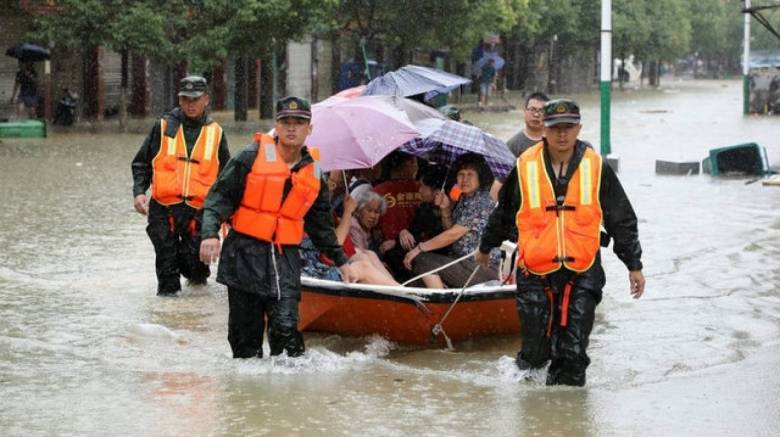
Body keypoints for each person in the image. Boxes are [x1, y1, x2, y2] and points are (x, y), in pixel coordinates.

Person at [476, 98, 645, 386]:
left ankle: (568, 418)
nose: (562, 135)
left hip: (584, 270)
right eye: (556, 128)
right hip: (535, 271)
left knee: (574, 353)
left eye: (568, 128)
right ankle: (533, 412)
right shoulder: (525, 165)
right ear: (545, 129)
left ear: (579, 128)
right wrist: (484, 247)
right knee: (536, 352)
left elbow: (621, 218)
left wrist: (634, 265)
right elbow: (504, 212)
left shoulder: (596, 166)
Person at [199, 96, 353, 359]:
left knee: (287, 336)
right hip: (244, 256)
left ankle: (290, 393)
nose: (292, 128)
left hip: (285, 259)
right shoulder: (249, 158)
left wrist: (342, 261)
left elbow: (320, 226)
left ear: (310, 129)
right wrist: (209, 234)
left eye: (299, 122)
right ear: (277, 126)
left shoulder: (315, 173)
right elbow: (218, 198)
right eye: (286, 122)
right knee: (245, 344)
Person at [131, 75, 229, 296]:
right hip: (163, 209)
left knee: (195, 268)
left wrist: (227, 213)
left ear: (206, 100)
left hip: (199, 212)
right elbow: (141, 162)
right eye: (185, 99)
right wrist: (139, 192)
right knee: (167, 267)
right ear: (179, 100)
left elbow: (227, 178)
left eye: (195, 99)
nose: (190, 104)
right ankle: (168, 315)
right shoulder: (163, 127)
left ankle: (196, 309)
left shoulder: (216, 133)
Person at [403, 153, 500, 288]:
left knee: (422, 259)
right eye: (461, 174)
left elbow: (453, 234)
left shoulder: (482, 201)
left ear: (480, 177)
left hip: (479, 268)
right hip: (459, 262)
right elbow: (450, 229)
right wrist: (445, 210)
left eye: (470, 174)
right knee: (416, 281)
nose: (464, 179)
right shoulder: (464, 198)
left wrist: (420, 248)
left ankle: (442, 304)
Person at [505, 92, 549, 157]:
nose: (536, 114)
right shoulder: (513, 145)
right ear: (524, 111)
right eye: (532, 109)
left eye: (541, 111)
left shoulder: (554, 142)